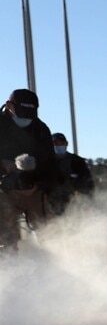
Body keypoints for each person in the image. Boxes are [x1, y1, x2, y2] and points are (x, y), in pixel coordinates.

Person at [0, 89, 60, 252]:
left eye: (30, 114)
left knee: (49, 234)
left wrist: (38, 185)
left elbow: (51, 166)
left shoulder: (40, 130)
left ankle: (55, 267)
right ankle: (7, 268)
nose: (25, 118)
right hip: (3, 192)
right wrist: (4, 165)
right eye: (21, 113)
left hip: (34, 190)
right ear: (8, 106)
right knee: (5, 238)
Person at [48, 132, 95, 215]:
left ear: (66, 144)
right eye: (55, 143)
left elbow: (87, 182)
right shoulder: (46, 162)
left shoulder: (77, 161)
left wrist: (86, 198)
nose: (59, 145)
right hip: (50, 201)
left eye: (61, 143)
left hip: (72, 201)